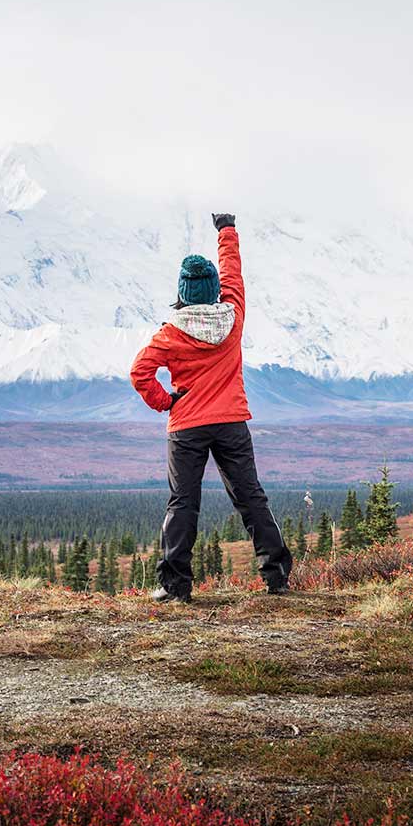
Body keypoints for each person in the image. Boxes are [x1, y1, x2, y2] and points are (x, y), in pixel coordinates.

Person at [129, 212, 292, 603]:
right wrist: (227, 231)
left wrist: (165, 401)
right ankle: (277, 578)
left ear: (182, 292)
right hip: (232, 421)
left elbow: (139, 372)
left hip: (186, 427)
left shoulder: (170, 334)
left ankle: (175, 587)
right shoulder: (233, 317)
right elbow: (233, 273)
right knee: (251, 497)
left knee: (183, 502)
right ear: (214, 289)